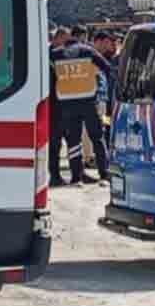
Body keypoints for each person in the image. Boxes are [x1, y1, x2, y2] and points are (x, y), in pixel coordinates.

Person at [50, 29, 112, 185]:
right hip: (88, 101)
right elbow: (107, 67)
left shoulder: (55, 54)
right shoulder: (87, 51)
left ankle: (76, 177)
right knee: (97, 138)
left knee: (73, 142)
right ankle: (104, 174)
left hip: (67, 104)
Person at [47, 27, 71, 187]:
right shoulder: (47, 56)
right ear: (59, 38)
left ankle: (77, 173)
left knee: (73, 141)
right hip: (53, 106)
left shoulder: (65, 55)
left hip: (66, 105)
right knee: (55, 143)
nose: (68, 44)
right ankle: (54, 175)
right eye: (66, 40)